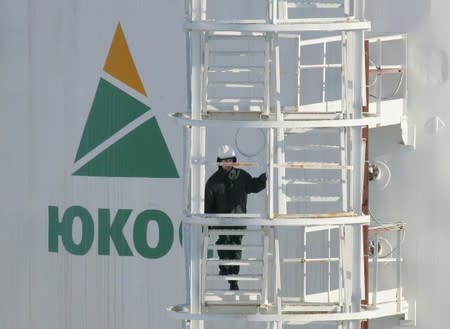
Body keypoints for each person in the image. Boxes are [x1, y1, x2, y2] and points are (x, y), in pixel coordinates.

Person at [204, 145, 266, 291]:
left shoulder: (241, 176)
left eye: (230, 160)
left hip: (239, 221)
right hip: (222, 222)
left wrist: (266, 178)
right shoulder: (213, 182)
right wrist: (207, 225)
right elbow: (208, 205)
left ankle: (233, 280)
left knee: (236, 249)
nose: (228, 163)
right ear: (219, 161)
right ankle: (225, 268)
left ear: (234, 160)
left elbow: (254, 186)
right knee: (224, 243)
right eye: (225, 160)